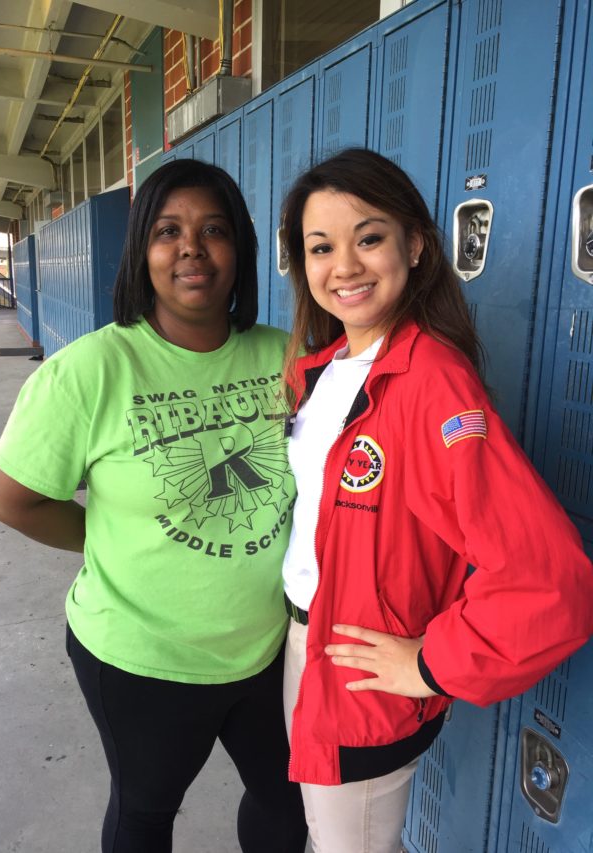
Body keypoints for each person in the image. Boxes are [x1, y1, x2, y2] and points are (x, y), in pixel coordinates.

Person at [0, 159, 307, 853]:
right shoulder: (92, 370)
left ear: (240, 251)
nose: (192, 246)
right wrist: (104, 537)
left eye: (213, 229)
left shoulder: (287, 356)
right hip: (143, 658)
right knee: (145, 814)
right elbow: (10, 498)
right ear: (143, 253)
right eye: (168, 231)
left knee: (289, 800)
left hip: (268, 647)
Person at [278, 147, 593, 853]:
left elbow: (550, 579)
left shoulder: (432, 384)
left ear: (415, 244)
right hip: (304, 642)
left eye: (369, 238)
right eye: (321, 247)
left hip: (362, 671)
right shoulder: (325, 369)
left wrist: (428, 663)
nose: (345, 266)